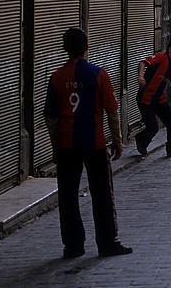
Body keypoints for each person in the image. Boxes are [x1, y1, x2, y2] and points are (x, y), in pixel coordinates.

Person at [43, 27, 133, 258]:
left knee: (68, 195)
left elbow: (50, 118)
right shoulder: (99, 74)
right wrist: (118, 141)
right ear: (86, 47)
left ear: (65, 48)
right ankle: (107, 242)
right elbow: (112, 111)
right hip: (94, 143)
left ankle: (73, 245)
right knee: (102, 193)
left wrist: (55, 147)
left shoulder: (56, 76)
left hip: (65, 144)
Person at [134, 38, 171, 157]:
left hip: (159, 100)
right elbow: (143, 62)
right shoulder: (161, 57)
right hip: (145, 99)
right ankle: (141, 140)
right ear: (170, 49)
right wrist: (140, 77)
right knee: (152, 127)